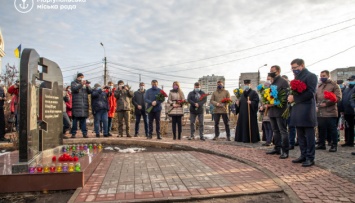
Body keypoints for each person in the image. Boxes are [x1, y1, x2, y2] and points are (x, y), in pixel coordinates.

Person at [288, 59, 317, 167]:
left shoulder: (311, 76)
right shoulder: (297, 78)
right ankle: (303, 154)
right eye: (292, 68)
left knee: (309, 136)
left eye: (295, 68)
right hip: (297, 109)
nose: (294, 70)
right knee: (300, 135)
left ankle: (310, 157)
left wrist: (294, 98)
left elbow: (310, 93)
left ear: (302, 65)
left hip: (307, 109)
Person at [265, 65, 290, 159]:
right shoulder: (272, 83)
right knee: (275, 131)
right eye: (270, 71)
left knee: (283, 131)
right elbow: (269, 95)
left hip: (280, 110)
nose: (271, 73)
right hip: (272, 111)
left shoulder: (283, 82)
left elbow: (284, 97)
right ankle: (277, 148)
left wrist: (274, 103)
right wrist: (267, 102)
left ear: (278, 72)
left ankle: (285, 151)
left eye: (273, 71)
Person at [315, 70, 341, 152]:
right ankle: (321, 144)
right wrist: (316, 105)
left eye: (324, 76)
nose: (322, 77)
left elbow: (338, 97)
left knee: (332, 129)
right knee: (321, 128)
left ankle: (334, 145)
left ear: (328, 76)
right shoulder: (319, 86)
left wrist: (327, 104)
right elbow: (316, 97)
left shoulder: (334, 85)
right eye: (321, 76)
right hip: (320, 111)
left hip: (330, 111)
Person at [70, 73, 92, 138]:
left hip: (84, 106)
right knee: (75, 121)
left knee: (83, 121)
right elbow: (74, 89)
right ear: (78, 77)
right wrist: (81, 84)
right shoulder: (74, 83)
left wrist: (88, 86)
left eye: (82, 77)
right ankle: (73, 133)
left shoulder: (85, 85)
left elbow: (90, 91)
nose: (82, 79)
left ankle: (84, 133)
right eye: (80, 77)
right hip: (76, 105)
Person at [282, 75, 297, 149]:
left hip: (291, 110)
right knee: (283, 128)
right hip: (283, 111)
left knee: (291, 127)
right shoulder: (281, 90)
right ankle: (284, 142)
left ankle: (291, 143)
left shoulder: (291, 90)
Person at [340, 75, 355, 148]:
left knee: (351, 127)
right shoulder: (346, 89)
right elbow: (343, 99)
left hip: (353, 111)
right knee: (347, 126)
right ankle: (347, 141)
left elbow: (352, 100)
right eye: (349, 80)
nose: (350, 81)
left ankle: (351, 141)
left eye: (352, 80)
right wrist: (342, 109)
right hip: (346, 111)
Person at [259, 80, 272, 146]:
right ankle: (267, 140)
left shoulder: (271, 93)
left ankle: (269, 141)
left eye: (267, 85)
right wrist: (261, 107)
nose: (266, 86)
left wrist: (267, 105)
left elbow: (272, 103)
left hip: (270, 113)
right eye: (265, 85)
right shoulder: (263, 94)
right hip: (264, 114)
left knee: (270, 128)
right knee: (266, 128)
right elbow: (261, 103)